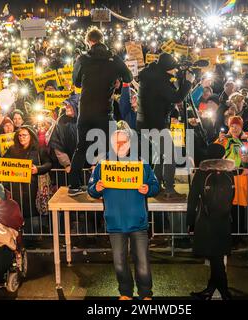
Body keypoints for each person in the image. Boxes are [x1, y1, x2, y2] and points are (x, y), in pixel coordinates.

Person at [87, 123, 160, 300]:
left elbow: (156, 185)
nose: (120, 146)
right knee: (119, 263)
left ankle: (145, 294)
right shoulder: (103, 166)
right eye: (117, 142)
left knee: (142, 263)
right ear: (111, 144)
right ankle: (125, 293)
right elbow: (90, 189)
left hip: (138, 222)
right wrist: (96, 187)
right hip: (115, 223)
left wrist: (148, 189)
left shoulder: (141, 164)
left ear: (129, 144)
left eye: (123, 142)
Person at [68, 27, 133, 196]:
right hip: (105, 111)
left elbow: (76, 82)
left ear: (88, 41)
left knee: (81, 148)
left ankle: (74, 186)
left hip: (86, 112)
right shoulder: (113, 59)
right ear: (102, 39)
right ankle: (112, 182)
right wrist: (116, 78)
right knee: (111, 147)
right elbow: (129, 78)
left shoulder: (82, 59)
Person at [136, 52, 194, 199]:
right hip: (155, 124)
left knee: (161, 156)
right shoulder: (159, 80)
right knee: (170, 155)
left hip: (146, 123)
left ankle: (156, 186)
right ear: (166, 68)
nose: (174, 71)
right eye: (172, 68)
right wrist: (187, 82)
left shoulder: (151, 74)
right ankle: (169, 189)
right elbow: (176, 97)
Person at [187, 144, 235, 300]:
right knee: (217, 256)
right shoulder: (229, 174)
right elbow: (231, 197)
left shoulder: (202, 174)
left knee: (216, 258)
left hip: (206, 220)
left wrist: (190, 222)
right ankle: (211, 289)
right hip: (224, 219)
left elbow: (193, 199)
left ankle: (224, 291)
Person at [2, 126, 52, 232]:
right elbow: (4, 162)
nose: (21, 138)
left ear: (31, 136)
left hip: (34, 188)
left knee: (33, 210)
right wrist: (0, 170)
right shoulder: (12, 149)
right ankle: (20, 235)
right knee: (18, 209)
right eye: (19, 135)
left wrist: (37, 169)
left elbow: (48, 164)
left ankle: (35, 234)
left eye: (24, 135)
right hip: (16, 188)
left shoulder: (39, 149)